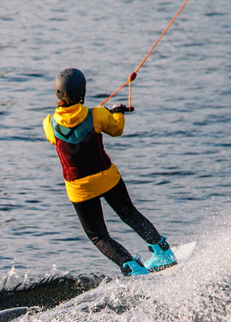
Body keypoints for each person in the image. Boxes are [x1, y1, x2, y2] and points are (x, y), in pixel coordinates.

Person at [43, 68, 176, 275]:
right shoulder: (96, 115)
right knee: (130, 214)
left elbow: (58, 136)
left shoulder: (49, 123)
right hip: (107, 178)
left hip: (79, 189)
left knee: (99, 236)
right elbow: (116, 129)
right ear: (83, 92)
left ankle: (132, 267)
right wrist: (117, 113)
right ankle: (163, 251)